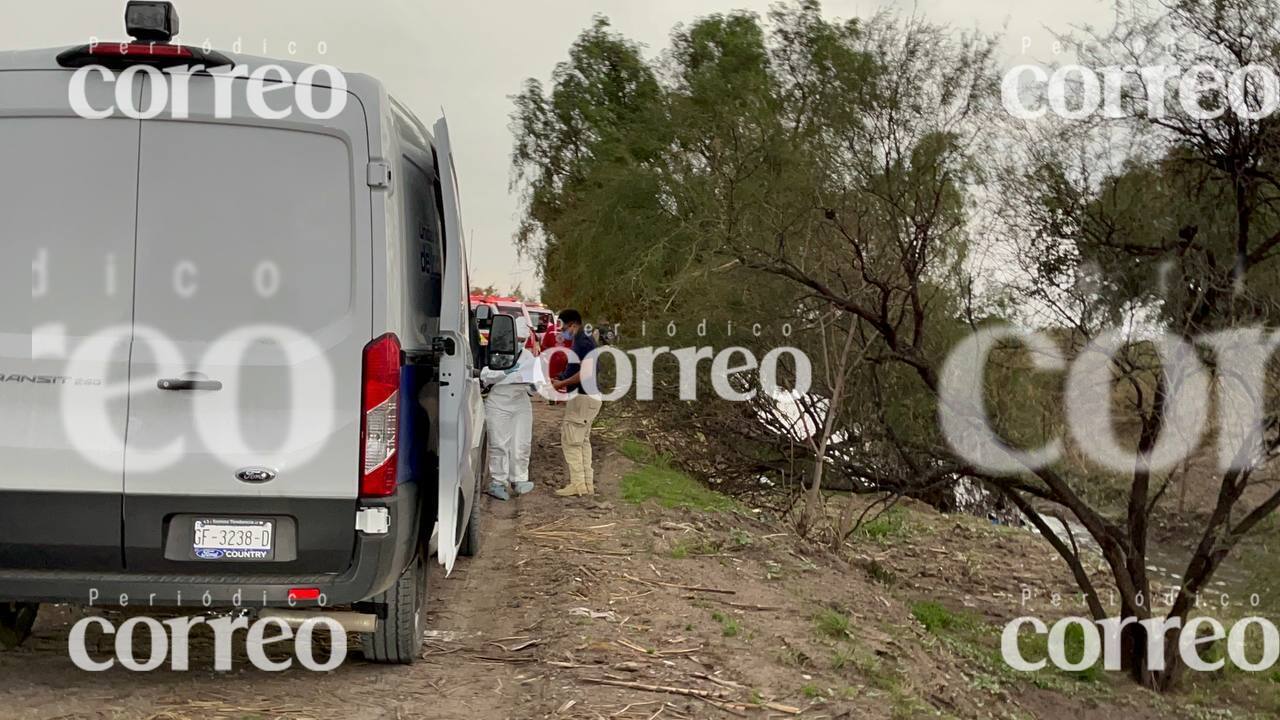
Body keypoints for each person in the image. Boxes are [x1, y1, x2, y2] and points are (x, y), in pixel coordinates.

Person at [480, 318, 537, 500]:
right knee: (499, 445)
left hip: (520, 402)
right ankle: (498, 481)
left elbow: (533, 385)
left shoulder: (528, 357)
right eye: (517, 340)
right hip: (498, 403)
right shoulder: (497, 354)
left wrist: (535, 385)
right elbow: (484, 376)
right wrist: (503, 373)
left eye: (522, 340)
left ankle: (519, 479)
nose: (519, 344)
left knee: (521, 444)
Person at [550, 309, 603, 497]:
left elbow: (586, 373)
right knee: (582, 441)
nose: (561, 330)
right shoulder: (582, 341)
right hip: (586, 398)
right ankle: (586, 485)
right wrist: (560, 377)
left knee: (571, 441)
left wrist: (562, 383)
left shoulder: (583, 342)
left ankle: (578, 485)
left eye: (562, 326)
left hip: (583, 397)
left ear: (572, 324)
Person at [541, 317, 572, 404]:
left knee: (553, 377)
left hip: (554, 358)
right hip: (563, 358)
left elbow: (544, 345)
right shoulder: (569, 330)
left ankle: (553, 396)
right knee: (563, 377)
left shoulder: (551, 329)